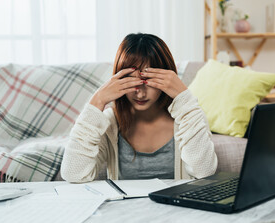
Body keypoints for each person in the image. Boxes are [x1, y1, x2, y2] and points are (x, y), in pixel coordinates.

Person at [60, 33, 218, 182]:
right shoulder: (110, 122)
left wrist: (184, 97)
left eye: (148, 81)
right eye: (132, 82)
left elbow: (204, 171)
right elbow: (73, 174)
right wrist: (97, 101)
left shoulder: (187, 117)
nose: (140, 94)